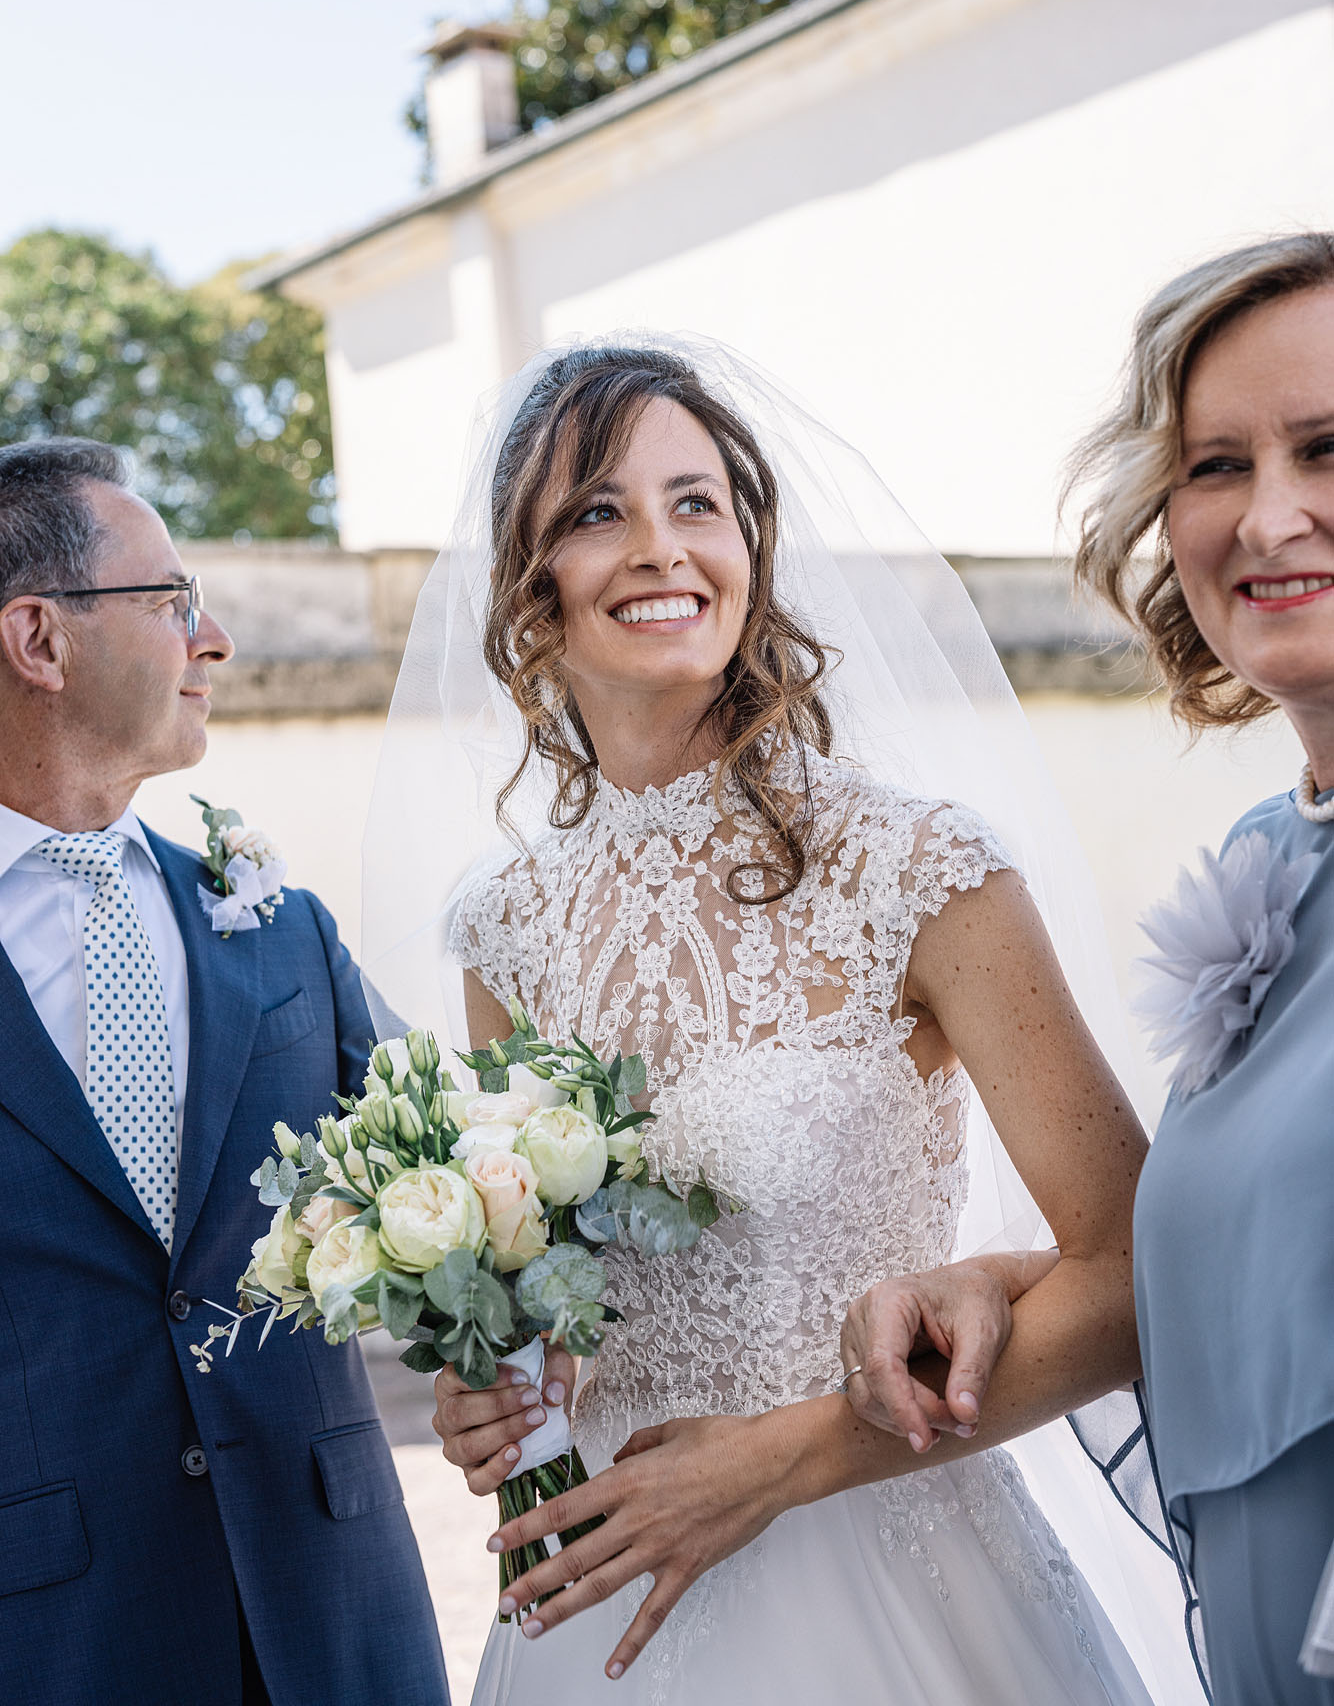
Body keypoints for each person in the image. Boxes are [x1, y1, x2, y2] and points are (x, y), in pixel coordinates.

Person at [376, 336, 1183, 1703]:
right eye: (597, 513)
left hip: (886, 1567)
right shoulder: (504, 927)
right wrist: (496, 1381)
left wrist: (786, 1457)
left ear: (752, 550)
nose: (658, 547)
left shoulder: (918, 870)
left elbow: (1128, 1275)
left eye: (697, 503)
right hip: (604, 1600)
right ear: (532, 593)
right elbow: (555, 1303)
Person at [0, 440, 449, 1706]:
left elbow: (455, 1175)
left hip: (338, 1621)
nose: (219, 637)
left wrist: (501, 1357)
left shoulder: (282, 927)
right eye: (174, 598)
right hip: (59, 1642)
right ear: (40, 638)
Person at [1062, 232, 1334, 1705]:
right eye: (1216, 462)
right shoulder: (1264, 856)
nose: (1270, 515)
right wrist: (994, 1289)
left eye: (1326, 446)